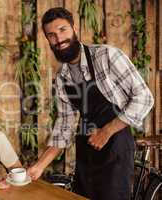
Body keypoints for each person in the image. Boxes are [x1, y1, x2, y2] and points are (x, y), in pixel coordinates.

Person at [28, 7, 154, 200]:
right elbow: (64, 126)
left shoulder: (107, 57)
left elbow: (144, 98)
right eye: (52, 35)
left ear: (74, 28)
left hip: (116, 149)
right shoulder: (62, 78)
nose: (59, 39)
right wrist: (38, 167)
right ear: (47, 40)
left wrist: (107, 131)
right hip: (86, 152)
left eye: (63, 30)